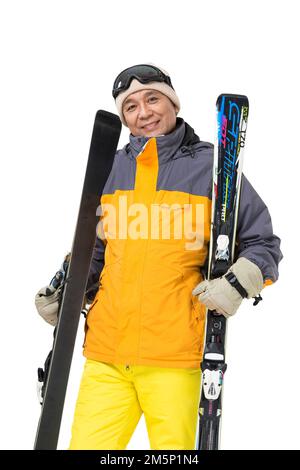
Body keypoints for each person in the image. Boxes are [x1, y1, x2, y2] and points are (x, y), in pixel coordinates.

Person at [35, 64, 283, 450]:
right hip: (106, 356)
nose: (144, 112)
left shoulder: (213, 168)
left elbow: (263, 243)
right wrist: (67, 293)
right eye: (130, 106)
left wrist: (236, 285)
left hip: (176, 359)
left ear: (172, 102)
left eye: (152, 98)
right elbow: (98, 250)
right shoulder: (112, 168)